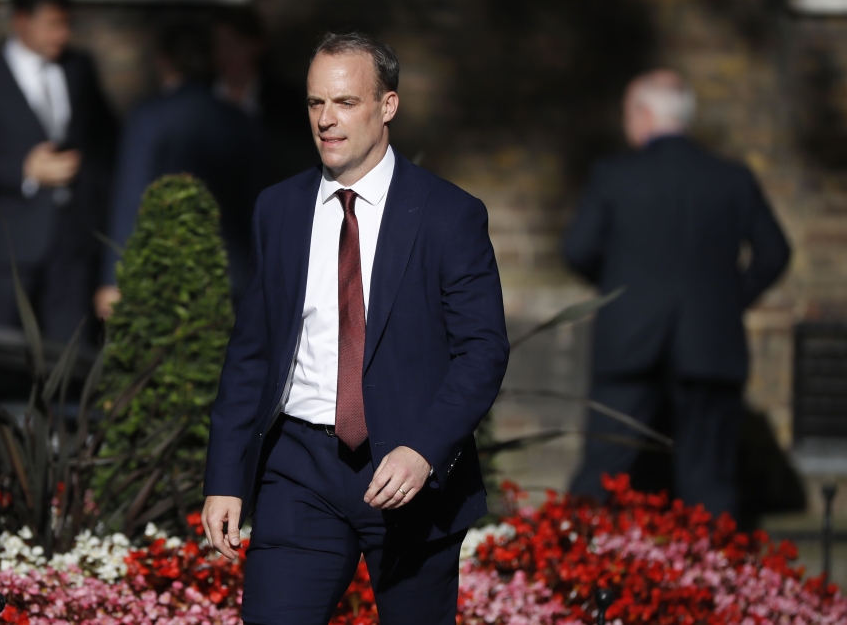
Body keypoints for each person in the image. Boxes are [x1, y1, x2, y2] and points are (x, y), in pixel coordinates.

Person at [202, 32, 509, 625]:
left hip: (408, 475)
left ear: (387, 106)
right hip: (299, 468)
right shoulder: (279, 208)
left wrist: (424, 450)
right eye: (316, 103)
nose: (326, 120)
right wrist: (225, 477)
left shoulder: (449, 215)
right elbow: (252, 354)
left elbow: (482, 352)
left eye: (345, 103)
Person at [564, 69, 791, 517]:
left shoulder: (614, 175)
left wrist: (621, 295)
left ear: (645, 114)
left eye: (630, 111)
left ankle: (572, 571)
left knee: (603, 471)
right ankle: (713, 581)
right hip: (710, 344)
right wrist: (730, 301)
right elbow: (774, 253)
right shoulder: (732, 179)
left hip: (628, 343)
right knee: (709, 479)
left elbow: (577, 250)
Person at [0, 0, 117, 343]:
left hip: (73, 242)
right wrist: (25, 170)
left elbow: (106, 141)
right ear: (22, 21)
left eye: (67, 24)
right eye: (53, 24)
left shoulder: (79, 67)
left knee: (70, 358)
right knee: (4, 355)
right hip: (9, 243)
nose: (63, 34)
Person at [94, 22, 261, 319]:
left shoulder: (149, 118)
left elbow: (131, 198)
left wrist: (113, 278)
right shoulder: (239, 119)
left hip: (167, 278)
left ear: (163, 60)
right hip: (232, 274)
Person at [211, 7, 317, 188]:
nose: (227, 53)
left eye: (236, 44)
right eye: (219, 44)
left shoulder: (285, 100)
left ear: (256, 45)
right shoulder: (202, 97)